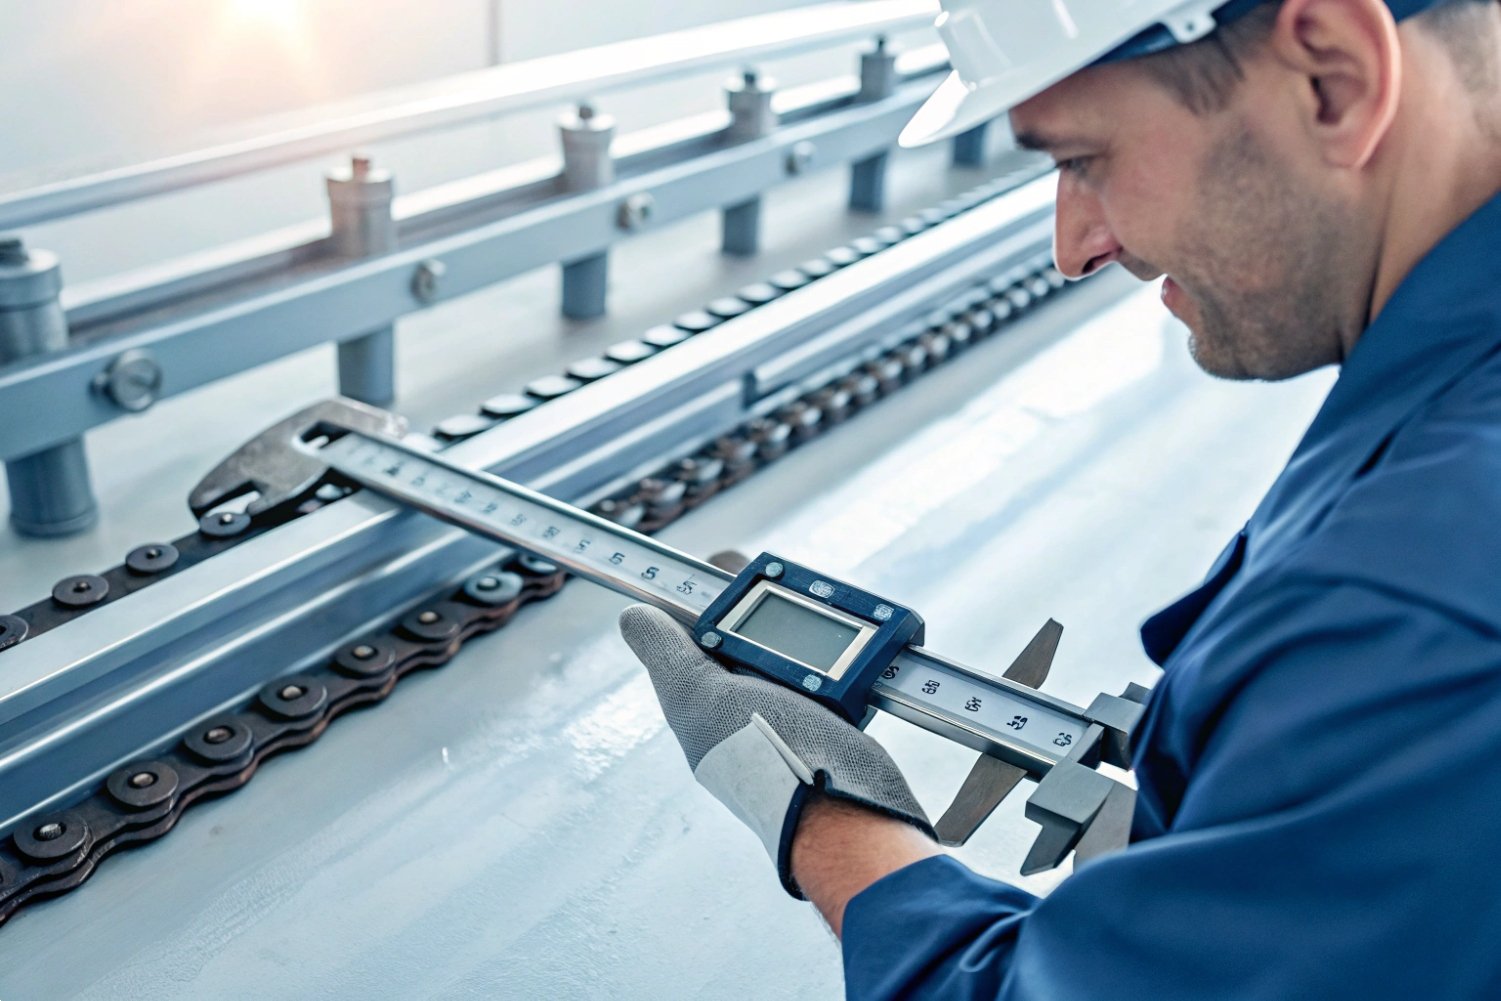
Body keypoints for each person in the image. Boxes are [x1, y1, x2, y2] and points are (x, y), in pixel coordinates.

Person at [618, 0, 1501, 995]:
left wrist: (823, 812)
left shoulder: (1409, 606)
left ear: (1331, 79)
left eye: (1081, 158)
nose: (1071, 247)